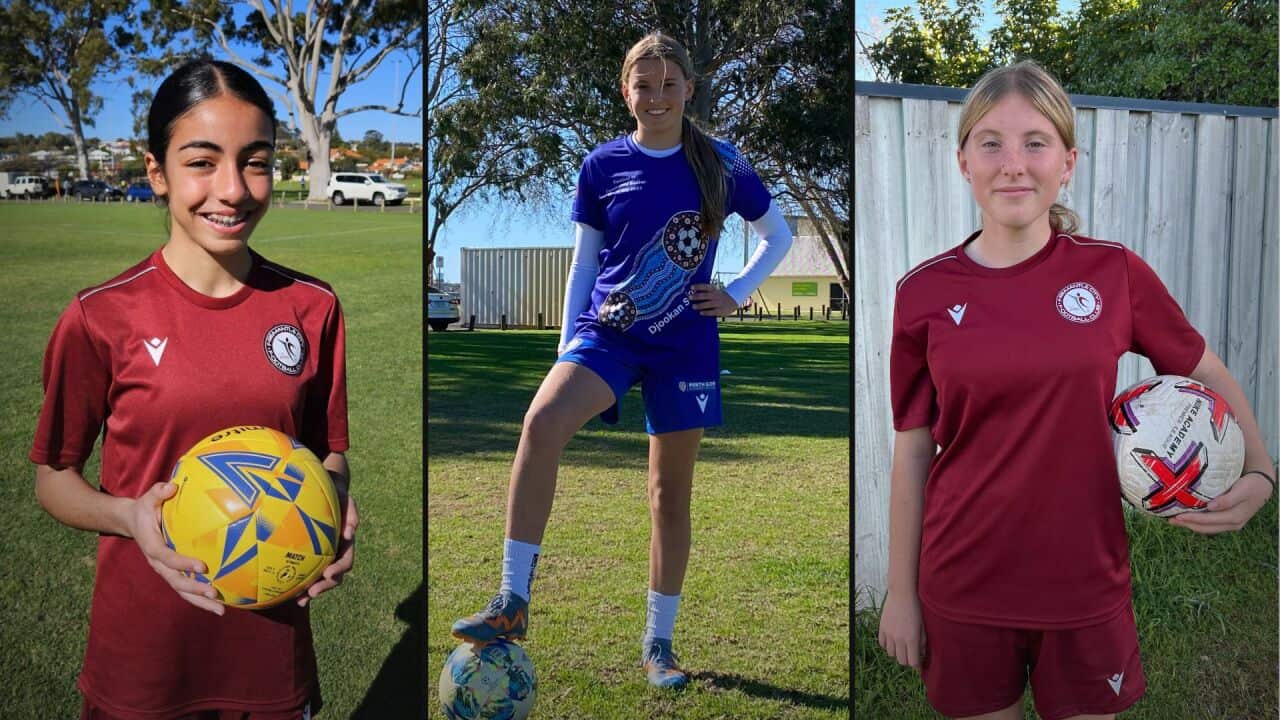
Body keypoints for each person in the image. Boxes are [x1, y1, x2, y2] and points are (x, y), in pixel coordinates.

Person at [878, 60, 1274, 720]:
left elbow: (1206, 369)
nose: (1013, 164)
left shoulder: (1112, 273)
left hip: (1085, 583)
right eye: (991, 143)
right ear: (962, 162)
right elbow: (913, 450)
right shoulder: (922, 294)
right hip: (963, 580)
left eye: (1036, 142)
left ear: (1068, 161)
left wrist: (1259, 469)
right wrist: (901, 592)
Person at [450, 31, 794, 689]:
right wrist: (565, 348)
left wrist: (737, 294)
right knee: (541, 423)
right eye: (645, 85)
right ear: (625, 90)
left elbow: (780, 235)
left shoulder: (721, 163)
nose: (657, 97)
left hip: (686, 343)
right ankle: (512, 602)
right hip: (608, 334)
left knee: (669, 496)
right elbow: (585, 261)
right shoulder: (602, 164)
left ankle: (659, 646)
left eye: (669, 84)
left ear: (689, 89)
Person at [29, 59, 357, 720]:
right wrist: (130, 516)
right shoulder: (100, 316)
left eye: (256, 161)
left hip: (270, 656)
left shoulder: (312, 307)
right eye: (202, 161)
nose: (232, 190)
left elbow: (330, 455)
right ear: (157, 172)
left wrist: (334, 510)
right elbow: (53, 478)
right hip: (143, 658)